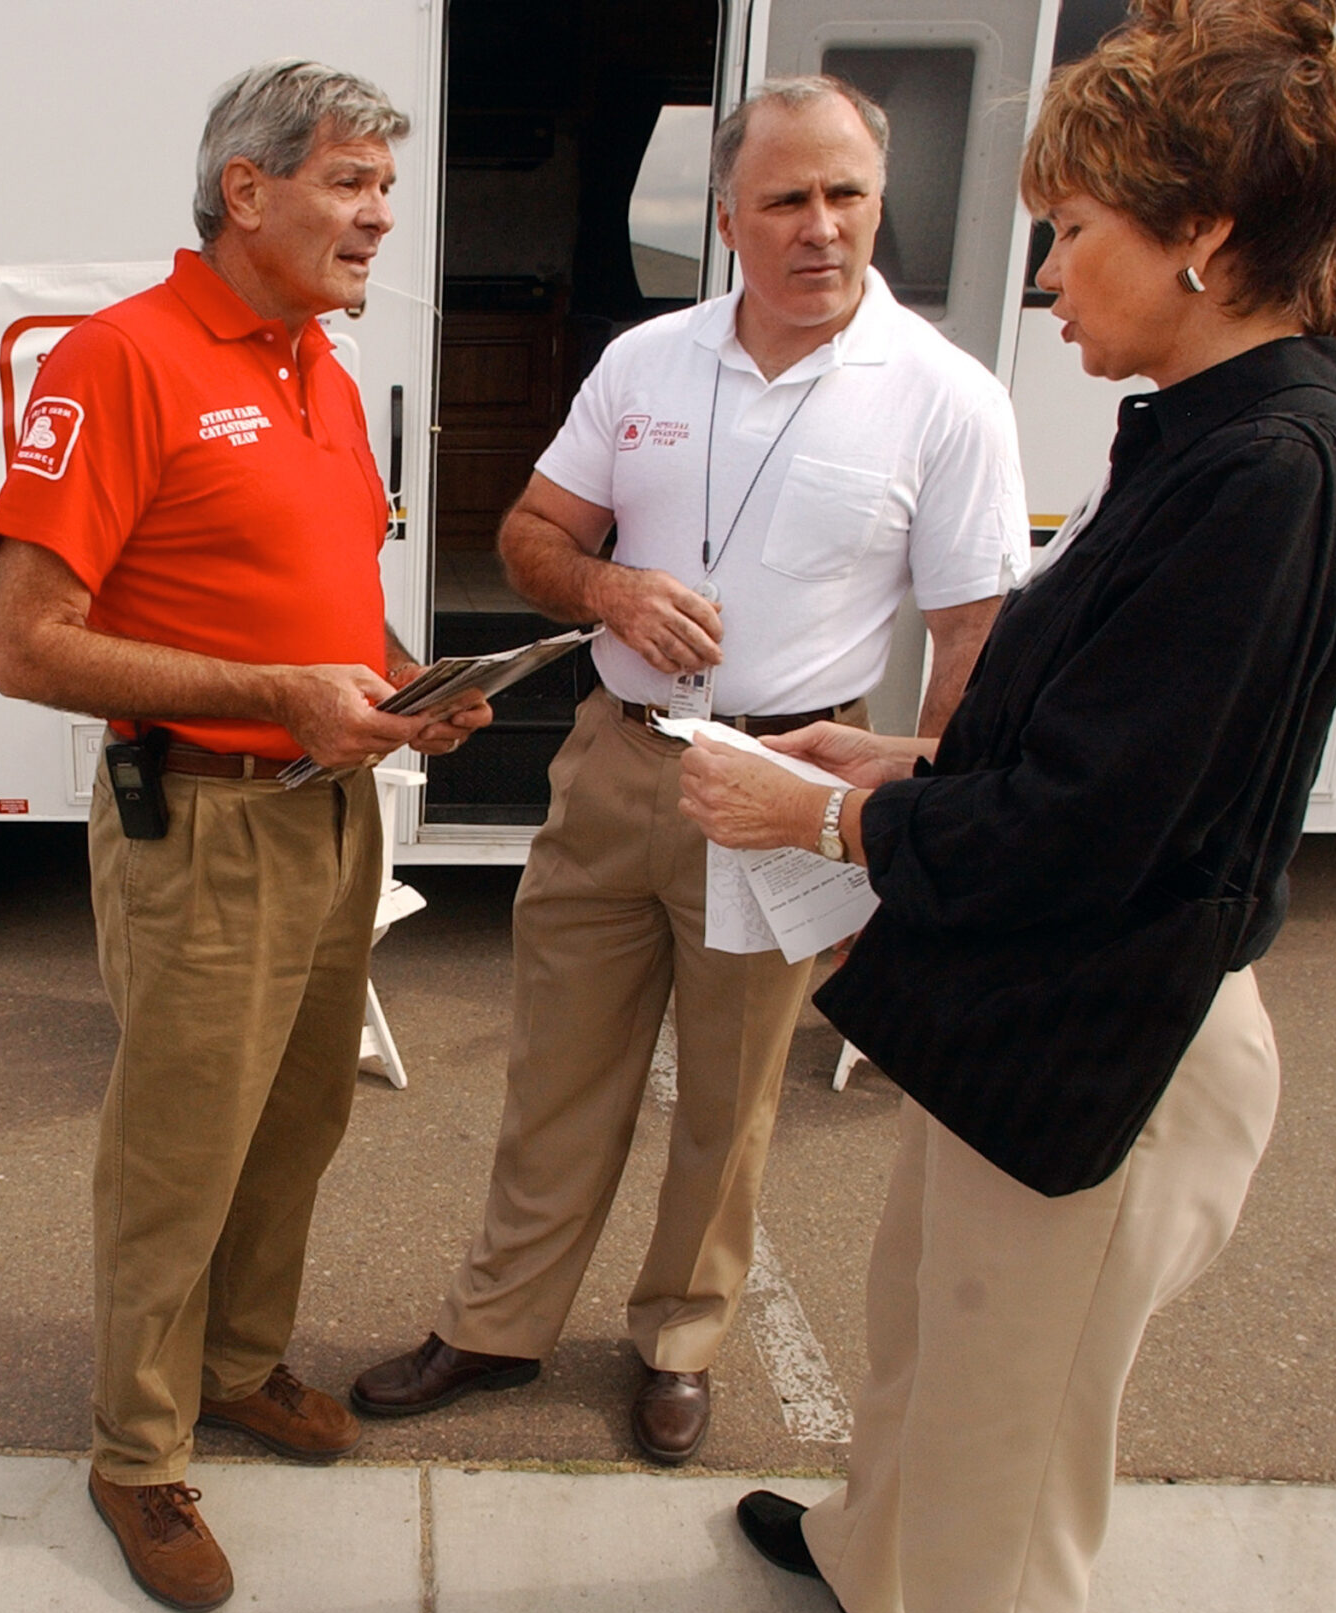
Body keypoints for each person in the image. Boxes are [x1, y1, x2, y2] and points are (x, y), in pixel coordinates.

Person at [687, 2, 1336, 1613]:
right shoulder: (1204, 439)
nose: (1050, 276)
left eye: (1072, 234)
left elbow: (1093, 829)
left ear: (1203, 237)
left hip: (1116, 1039)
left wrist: (831, 814)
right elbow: (1117, 745)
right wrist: (919, 751)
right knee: (923, 1326)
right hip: (1033, 1009)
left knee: (1019, 1454)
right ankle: (871, 1558)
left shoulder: (1270, 474)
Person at [352, 77, 1026, 1465]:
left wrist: (932, 811)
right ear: (728, 218)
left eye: (846, 195)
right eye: (786, 199)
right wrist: (608, 588)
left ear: (879, 206)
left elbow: (972, 630)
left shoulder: (948, 398)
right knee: (557, 1067)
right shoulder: (645, 363)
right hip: (614, 763)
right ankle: (498, 1321)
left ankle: (680, 1337)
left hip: (784, 778)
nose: (821, 228)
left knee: (731, 1096)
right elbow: (533, 530)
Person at [0, 60, 488, 1613]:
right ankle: (137, 1450)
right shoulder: (120, 360)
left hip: (331, 805)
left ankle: (241, 1364)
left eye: (383, 191)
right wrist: (275, 688)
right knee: (179, 1151)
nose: (379, 219)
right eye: (351, 185)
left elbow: (327, 591)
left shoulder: (317, 369)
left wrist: (404, 678)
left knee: (299, 1119)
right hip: (201, 816)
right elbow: (29, 645)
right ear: (247, 189)